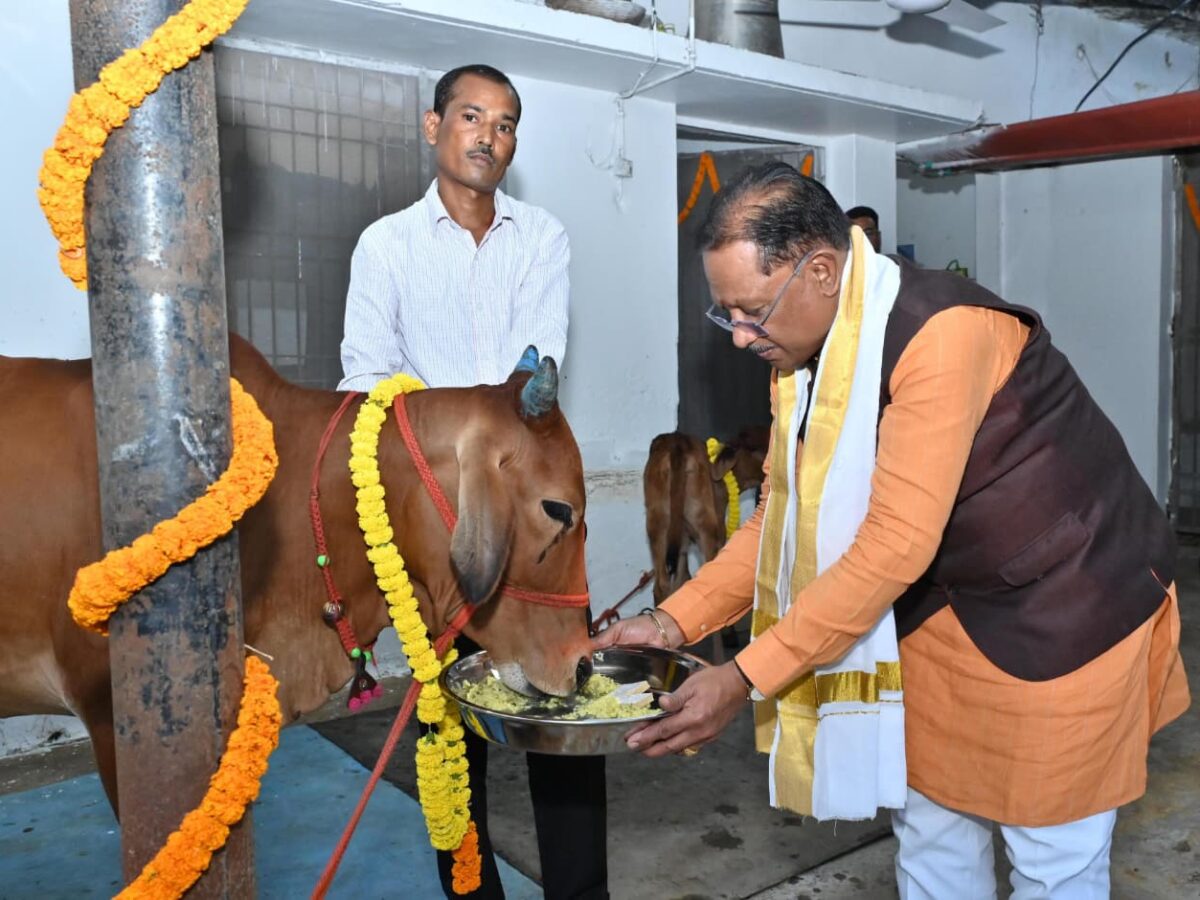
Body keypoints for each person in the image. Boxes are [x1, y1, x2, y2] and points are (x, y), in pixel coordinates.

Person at [596, 161, 1190, 898]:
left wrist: (744, 676)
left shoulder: (942, 335)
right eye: (727, 316)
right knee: (933, 835)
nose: (741, 338)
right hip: (938, 619)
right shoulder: (801, 364)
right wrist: (671, 621)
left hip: (1064, 611)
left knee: (1051, 858)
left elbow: (896, 542)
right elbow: (778, 526)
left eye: (750, 310)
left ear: (819, 270)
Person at [340, 64, 608, 900]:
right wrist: (465, 432)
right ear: (434, 128)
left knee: (559, 712)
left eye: (505, 123)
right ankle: (470, 891)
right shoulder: (385, 244)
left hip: (529, 522)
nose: (488, 135)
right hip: (435, 524)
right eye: (471, 117)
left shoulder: (544, 237)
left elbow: (536, 369)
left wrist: (487, 415)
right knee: (446, 734)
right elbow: (365, 381)